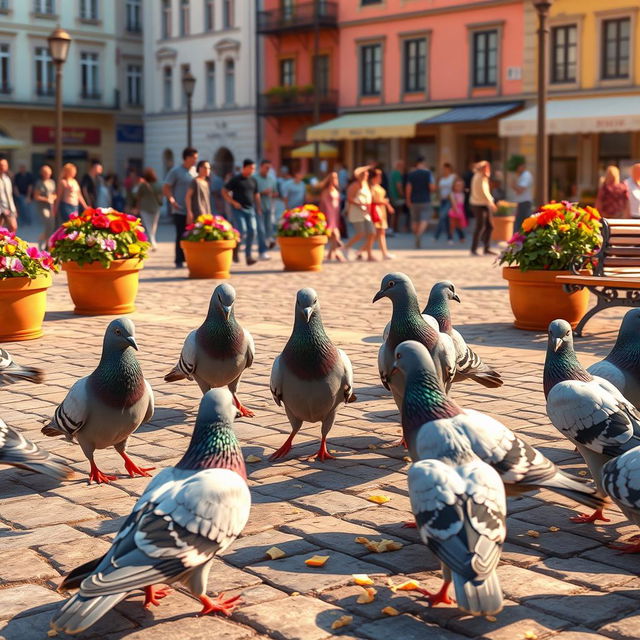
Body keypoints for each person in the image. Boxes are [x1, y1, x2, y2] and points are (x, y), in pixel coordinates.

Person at [222, 159, 267, 265]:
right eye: (251, 168)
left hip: (250, 209)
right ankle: (235, 251)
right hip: (238, 210)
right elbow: (224, 191)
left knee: (253, 231)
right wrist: (233, 202)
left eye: (254, 168)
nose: (253, 170)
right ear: (245, 167)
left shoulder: (253, 180)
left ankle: (248, 256)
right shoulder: (236, 179)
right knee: (242, 231)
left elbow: (256, 194)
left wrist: (259, 207)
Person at [163, 147, 198, 268]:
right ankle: (179, 259)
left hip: (193, 210)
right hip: (179, 208)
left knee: (191, 235)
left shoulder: (194, 172)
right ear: (187, 158)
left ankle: (189, 258)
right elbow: (166, 187)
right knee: (180, 234)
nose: (195, 161)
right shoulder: (176, 171)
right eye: (194, 158)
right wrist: (172, 200)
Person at [343, 165, 376, 261]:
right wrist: (360, 204)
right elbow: (349, 198)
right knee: (361, 233)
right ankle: (345, 247)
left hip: (366, 212)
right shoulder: (354, 185)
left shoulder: (366, 185)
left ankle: (369, 254)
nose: (366, 175)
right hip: (356, 212)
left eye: (367, 174)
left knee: (372, 233)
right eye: (365, 174)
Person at [405, 156, 434, 248]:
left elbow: (408, 188)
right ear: (424, 163)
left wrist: (408, 199)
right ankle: (419, 234)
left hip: (414, 200)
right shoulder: (428, 173)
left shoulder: (411, 174)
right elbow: (431, 187)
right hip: (425, 199)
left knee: (415, 220)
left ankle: (415, 235)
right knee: (424, 219)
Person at [469, 161, 497, 256]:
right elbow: (484, 192)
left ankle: (486, 247)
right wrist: (492, 202)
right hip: (479, 204)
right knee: (480, 226)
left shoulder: (479, 176)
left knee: (488, 226)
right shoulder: (480, 177)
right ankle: (475, 248)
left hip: (482, 203)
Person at [369, 167, 395, 260]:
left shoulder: (378, 186)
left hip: (381, 211)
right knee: (375, 233)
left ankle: (383, 252)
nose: (380, 177)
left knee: (380, 233)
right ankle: (365, 250)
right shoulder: (371, 187)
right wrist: (384, 202)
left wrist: (387, 205)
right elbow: (372, 200)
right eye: (378, 176)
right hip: (376, 211)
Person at [134, 167, 163, 249]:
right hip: (155, 207)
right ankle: (153, 241)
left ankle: (152, 241)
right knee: (153, 226)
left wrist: (137, 207)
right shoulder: (158, 184)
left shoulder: (143, 185)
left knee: (148, 226)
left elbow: (138, 197)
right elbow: (161, 195)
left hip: (145, 208)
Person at [319, 171, 345, 262]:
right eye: (334, 177)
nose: (335, 179)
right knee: (334, 233)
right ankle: (338, 252)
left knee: (334, 234)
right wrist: (323, 215)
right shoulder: (326, 191)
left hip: (335, 214)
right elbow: (323, 203)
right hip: (328, 213)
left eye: (336, 177)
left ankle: (331, 254)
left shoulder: (336, 190)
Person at [255, 159, 278, 249]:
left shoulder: (272, 179)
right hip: (256, 207)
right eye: (266, 167)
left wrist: (272, 193)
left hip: (268, 206)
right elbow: (251, 193)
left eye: (269, 168)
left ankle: (268, 242)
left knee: (268, 227)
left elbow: (276, 192)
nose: (268, 170)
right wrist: (262, 192)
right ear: (261, 167)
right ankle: (262, 249)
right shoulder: (254, 178)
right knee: (260, 229)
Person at [32, 164, 57, 249]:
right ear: (42, 173)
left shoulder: (52, 182)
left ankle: (44, 240)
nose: (48, 174)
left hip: (51, 206)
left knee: (51, 225)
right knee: (47, 222)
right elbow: (36, 196)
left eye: (49, 173)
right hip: (43, 206)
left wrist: (53, 197)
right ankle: (46, 243)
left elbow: (55, 194)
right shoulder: (39, 183)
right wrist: (46, 199)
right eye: (46, 173)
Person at [435, 163, 456, 243]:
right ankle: (449, 238)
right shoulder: (441, 178)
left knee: (442, 216)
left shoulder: (453, 177)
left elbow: (456, 186)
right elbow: (438, 189)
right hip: (442, 200)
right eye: (443, 169)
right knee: (446, 220)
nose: (444, 170)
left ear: (449, 169)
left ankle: (436, 236)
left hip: (450, 200)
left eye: (445, 169)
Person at [510, 160, 533, 232]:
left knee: (521, 224)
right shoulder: (523, 175)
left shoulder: (526, 175)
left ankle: (518, 241)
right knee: (519, 224)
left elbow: (520, 190)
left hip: (524, 203)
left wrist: (513, 184)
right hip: (522, 202)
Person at [388, 160, 406, 234]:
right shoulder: (397, 173)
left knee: (391, 213)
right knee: (396, 213)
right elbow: (399, 185)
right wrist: (402, 194)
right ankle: (394, 228)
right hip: (396, 196)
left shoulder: (391, 173)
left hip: (391, 195)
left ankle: (390, 228)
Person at [0, 158, 17, 232]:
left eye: (5, 165)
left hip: (9, 208)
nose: (3, 167)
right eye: (1, 165)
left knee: (13, 227)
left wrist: (13, 208)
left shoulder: (8, 178)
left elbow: (10, 195)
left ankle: (10, 243)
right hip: (1, 208)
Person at [448, 178, 467, 243]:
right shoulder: (452, 194)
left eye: (460, 186)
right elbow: (453, 203)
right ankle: (450, 238)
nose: (459, 187)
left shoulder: (462, 194)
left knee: (459, 225)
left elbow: (462, 204)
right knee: (452, 225)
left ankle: (461, 237)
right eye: (457, 186)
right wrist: (456, 210)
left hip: (460, 210)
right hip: (455, 210)